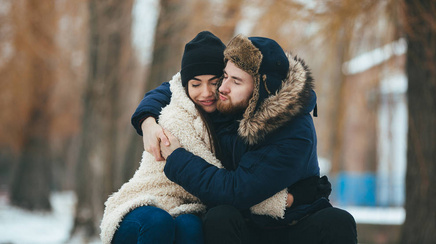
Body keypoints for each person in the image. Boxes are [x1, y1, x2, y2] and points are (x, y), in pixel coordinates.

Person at [133, 34, 357, 243]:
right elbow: (175, 86)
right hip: (248, 223)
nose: (221, 88)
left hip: (292, 224)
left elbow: (234, 191)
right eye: (225, 76)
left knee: (338, 221)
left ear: (262, 89)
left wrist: (177, 157)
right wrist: (147, 121)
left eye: (236, 81)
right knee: (220, 216)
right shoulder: (231, 103)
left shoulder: (295, 132)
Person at [100, 31, 289, 244]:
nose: (206, 93)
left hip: (185, 206)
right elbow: (222, 179)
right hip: (146, 202)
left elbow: (233, 179)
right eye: (196, 84)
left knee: (191, 226)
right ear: (185, 85)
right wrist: (281, 201)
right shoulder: (177, 117)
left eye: (214, 82)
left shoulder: (230, 118)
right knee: (158, 221)